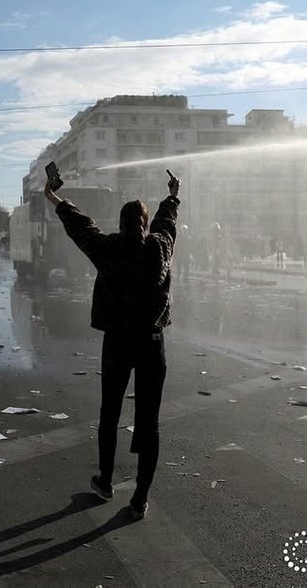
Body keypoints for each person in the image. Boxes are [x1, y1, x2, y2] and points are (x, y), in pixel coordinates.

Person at [45, 167, 180, 520]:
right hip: (152, 344)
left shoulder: (107, 248)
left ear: (120, 224)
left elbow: (81, 226)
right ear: (145, 224)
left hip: (118, 343)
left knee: (110, 413)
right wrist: (172, 195)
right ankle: (139, 499)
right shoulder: (160, 247)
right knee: (149, 422)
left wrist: (55, 198)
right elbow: (167, 222)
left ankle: (105, 480)